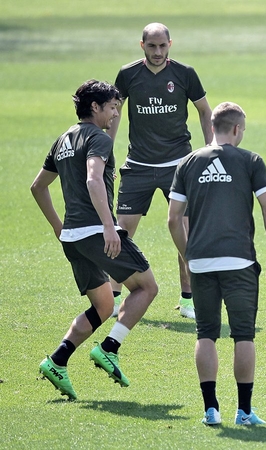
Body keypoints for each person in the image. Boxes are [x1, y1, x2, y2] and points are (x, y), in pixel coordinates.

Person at [31, 80, 159, 400]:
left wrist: (59, 228)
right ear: (95, 108)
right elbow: (92, 178)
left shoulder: (63, 140)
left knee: (103, 305)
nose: (116, 114)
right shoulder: (97, 138)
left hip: (73, 237)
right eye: (113, 107)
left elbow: (38, 187)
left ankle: (57, 361)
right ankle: (110, 348)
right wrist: (108, 226)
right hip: (94, 232)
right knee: (147, 287)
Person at [168, 102, 266, 426]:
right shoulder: (250, 161)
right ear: (236, 129)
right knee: (243, 335)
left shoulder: (188, 163)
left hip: (201, 262)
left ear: (213, 127)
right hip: (240, 261)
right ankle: (244, 411)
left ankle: (210, 410)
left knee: (206, 334)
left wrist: (188, 254)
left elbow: (174, 218)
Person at [107, 22, 213, 320]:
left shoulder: (184, 74)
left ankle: (189, 300)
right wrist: (106, 151)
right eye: (151, 46)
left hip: (178, 166)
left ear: (170, 44)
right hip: (138, 166)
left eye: (162, 46)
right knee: (120, 235)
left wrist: (209, 150)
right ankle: (113, 299)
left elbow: (205, 110)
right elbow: (114, 111)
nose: (157, 52)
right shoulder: (127, 75)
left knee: (186, 233)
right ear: (142, 46)